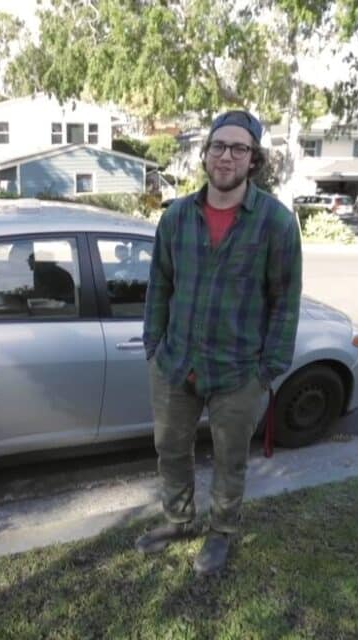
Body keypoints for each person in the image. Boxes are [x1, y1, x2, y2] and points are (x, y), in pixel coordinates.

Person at [137, 110, 303, 577]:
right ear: (205, 153)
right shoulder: (176, 218)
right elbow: (160, 287)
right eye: (218, 146)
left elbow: (285, 304)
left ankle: (222, 533)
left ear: (254, 160)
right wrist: (154, 346)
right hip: (175, 363)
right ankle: (178, 521)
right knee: (170, 448)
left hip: (238, 371)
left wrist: (267, 371)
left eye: (238, 148)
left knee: (230, 460)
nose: (226, 156)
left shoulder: (275, 223)